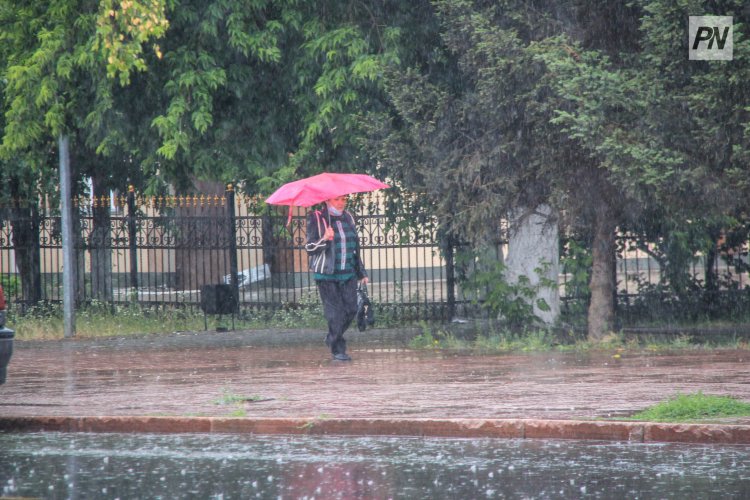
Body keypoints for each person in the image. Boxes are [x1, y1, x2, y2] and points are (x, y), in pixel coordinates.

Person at [305, 195, 368, 361]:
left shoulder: (348, 217)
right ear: (327, 201)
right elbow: (309, 248)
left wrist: (361, 272)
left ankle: (332, 336)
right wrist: (324, 239)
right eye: (336, 200)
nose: (341, 203)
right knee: (335, 313)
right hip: (326, 274)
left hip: (348, 273)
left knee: (351, 309)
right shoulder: (317, 218)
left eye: (343, 199)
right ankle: (338, 349)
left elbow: (354, 247)